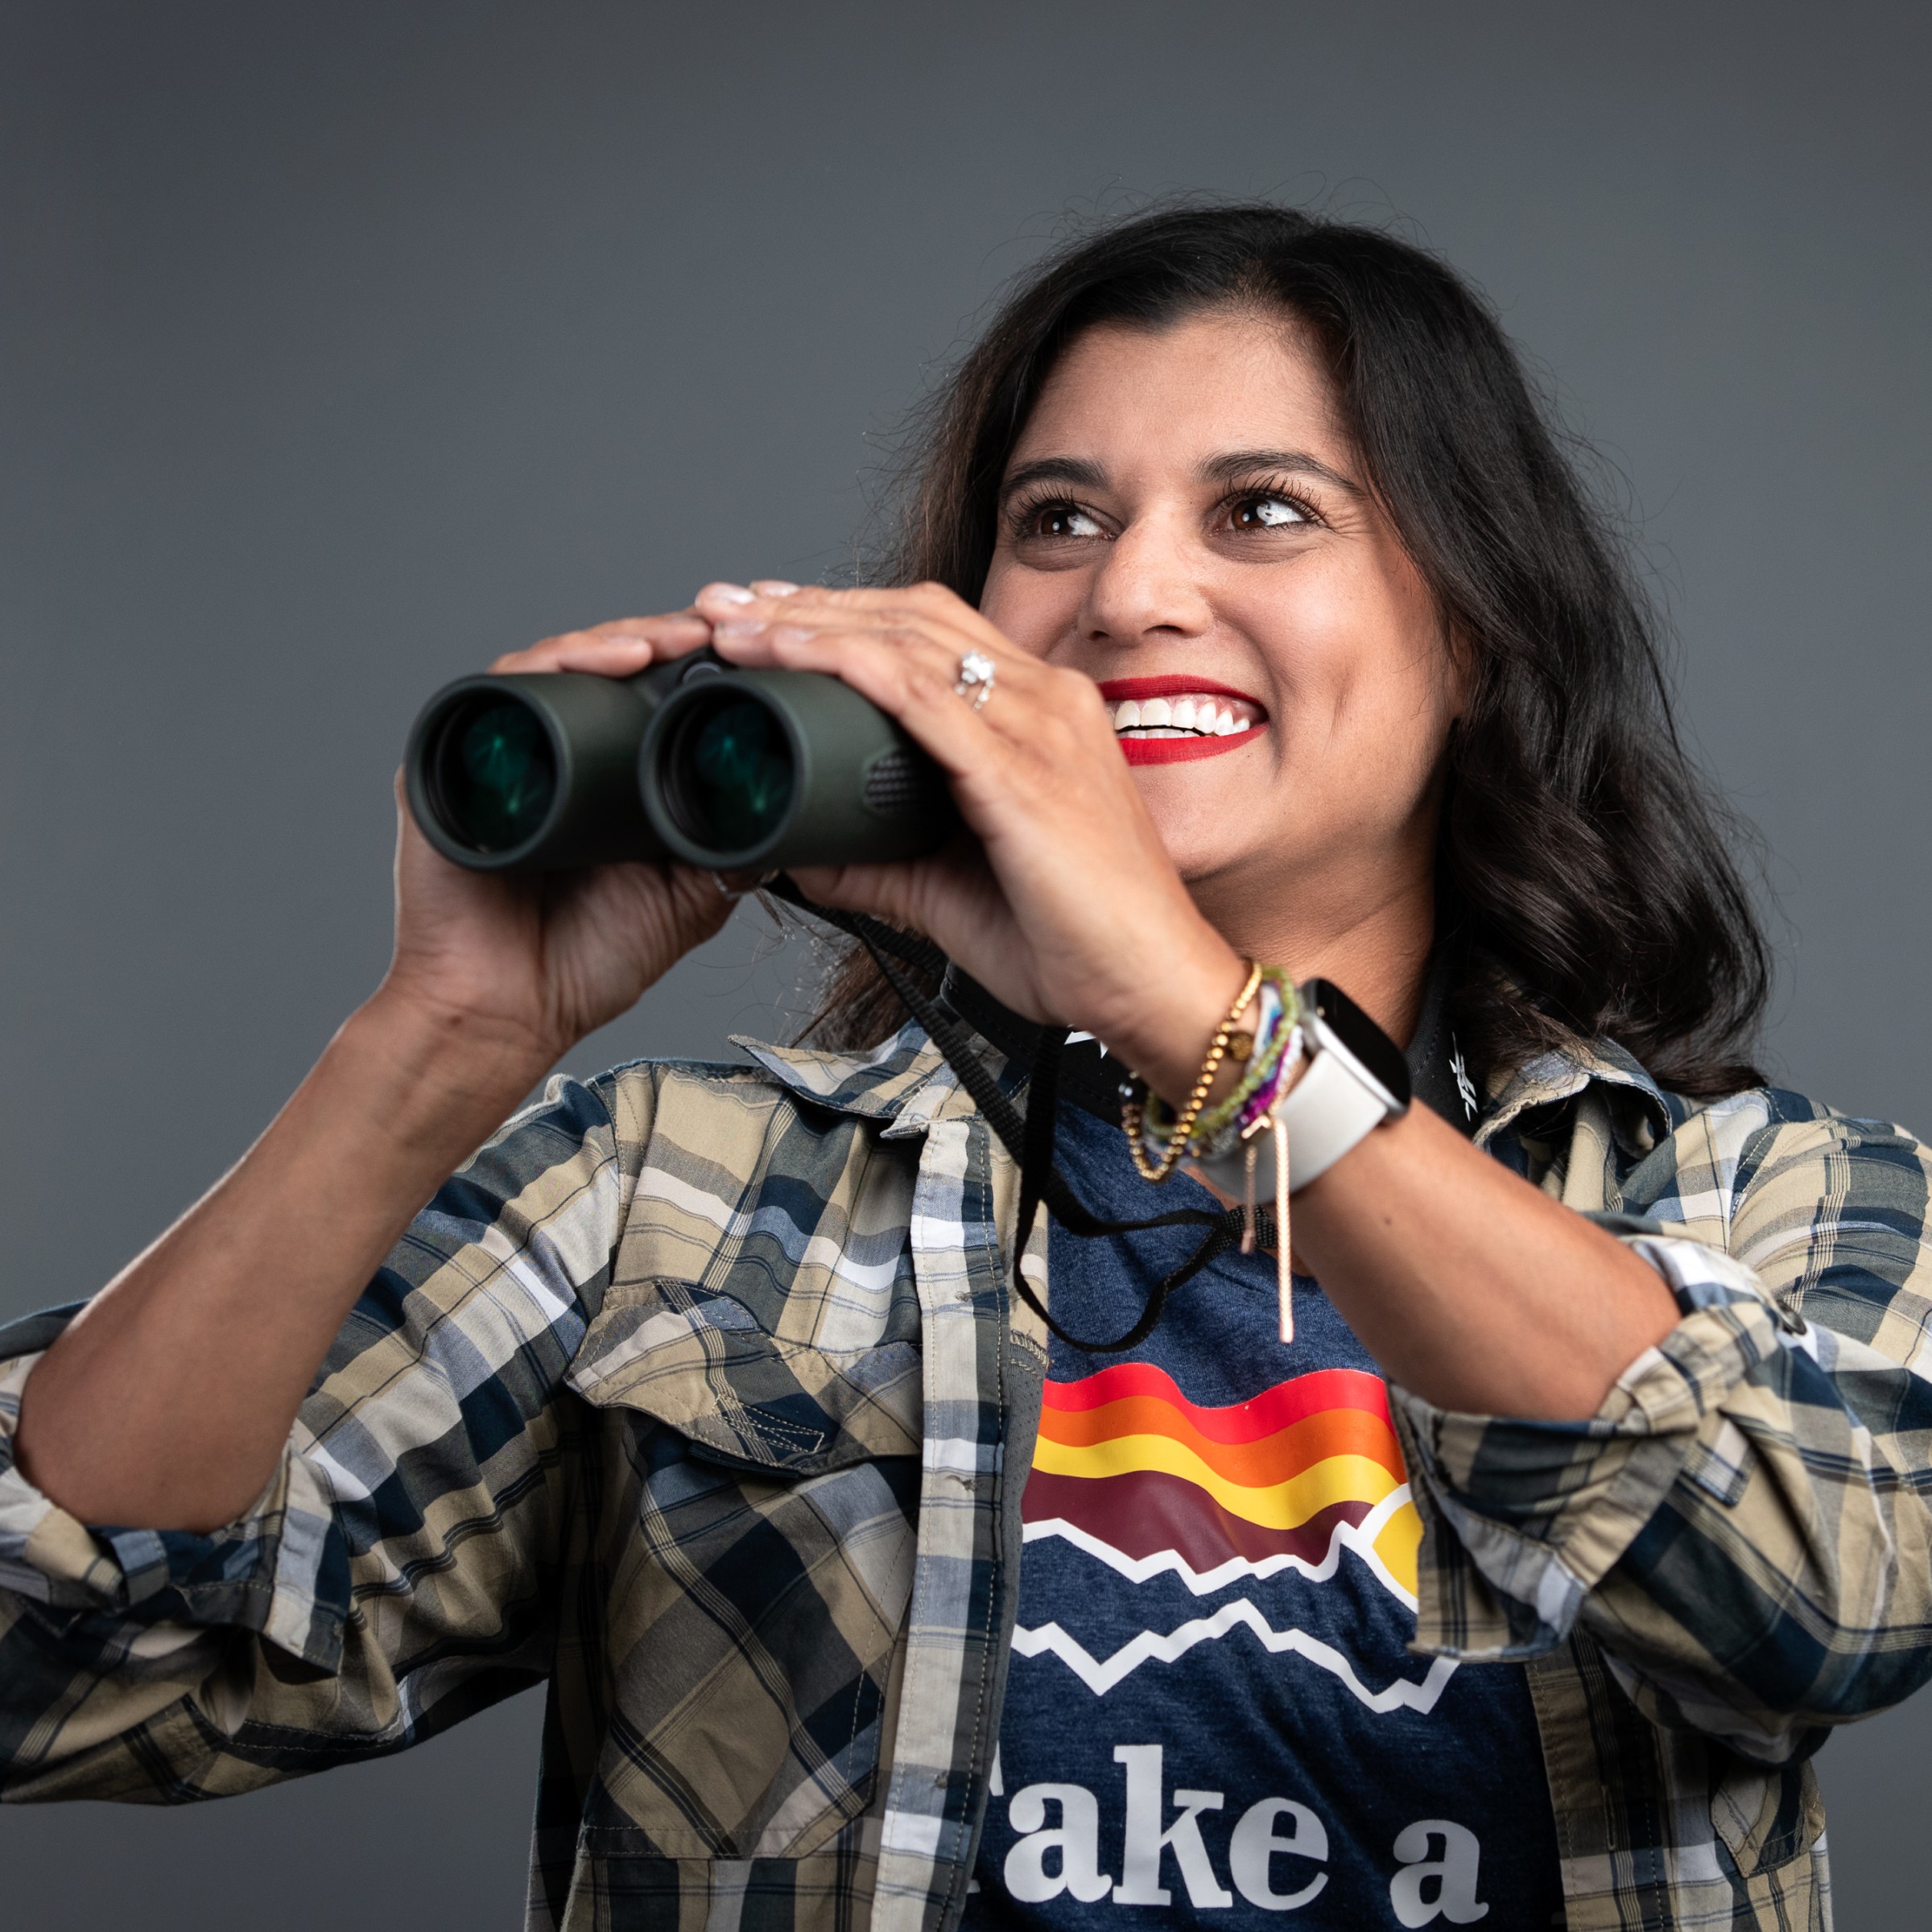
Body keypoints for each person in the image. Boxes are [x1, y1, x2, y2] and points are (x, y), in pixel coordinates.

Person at [0, 204, 1923, 1932]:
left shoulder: (1770, 1206)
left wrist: (1190, 1011)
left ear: (1482, 635)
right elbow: (58, 1661)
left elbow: (1822, 1586)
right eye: (1057, 520)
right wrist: (431, 1045)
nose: (1128, 593)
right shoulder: (674, 1207)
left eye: (1263, 510)